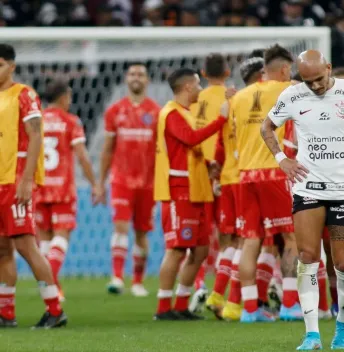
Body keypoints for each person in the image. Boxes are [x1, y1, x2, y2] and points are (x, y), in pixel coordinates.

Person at [262, 49, 344, 350]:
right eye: (308, 82)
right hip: (308, 187)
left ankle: (343, 324)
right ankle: (311, 334)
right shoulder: (292, 95)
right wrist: (282, 159)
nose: (315, 86)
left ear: (328, 67)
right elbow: (266, 127)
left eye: (320, 79)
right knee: (307, 257)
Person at [0, 43, 67, 328]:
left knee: (27, 247)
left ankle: (54, 310)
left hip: (15, 182)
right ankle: (6, 313)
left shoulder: (24, 95)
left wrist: (27, 179)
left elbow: (36, 135)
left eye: (0, 64)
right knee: (2, 250)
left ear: (12, 67)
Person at [154, 68, 228, 320]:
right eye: (197, 84)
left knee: (200, 250)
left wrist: (208, 165)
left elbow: (186, 150)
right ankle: (163, 307)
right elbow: (190, 139)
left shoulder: (185, 113)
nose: (200, 89)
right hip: (178, 190)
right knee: (177, 249)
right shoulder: (171, 113)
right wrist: (221, 120)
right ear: (187, 87)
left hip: (197, 189)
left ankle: (182, 304)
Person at [231, 44, 297, 323]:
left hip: (245, 175)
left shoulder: (239, 97)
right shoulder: (288, 90)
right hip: (273, 172)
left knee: (250, 242)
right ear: (283, 69)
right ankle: (290, 305)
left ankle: (248, 310)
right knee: (291, 237)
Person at [205, 55, 263, 321]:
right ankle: (233, 302)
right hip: (247, 178)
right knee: (250, 240)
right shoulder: (255, 104)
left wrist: (216, 171)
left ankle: (218, 293)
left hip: (228, 177)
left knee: (234, 240)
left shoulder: (232, 102)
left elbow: (219, 144)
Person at [96, 62, 161, 297]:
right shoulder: (115, 111)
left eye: (141, 74)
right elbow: (108, 149)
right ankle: (116, 277)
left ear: (147, 81)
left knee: (142, 233)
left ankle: (137, 282)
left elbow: (160, 151)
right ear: (126, 79)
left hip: (149, 183)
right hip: (121, 180)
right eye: (132, 74)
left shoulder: (156, 112)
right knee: (120, 227)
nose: (136, 77)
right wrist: (99, 182)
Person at [36, 79, 97, 302]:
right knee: (61, 238)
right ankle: (49, 279)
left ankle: (52, 289)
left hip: (39, 188)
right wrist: (95, 184)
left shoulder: (36, 120)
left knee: (44, 241)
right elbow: (81, 156)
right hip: (62, 189)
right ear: (63, 97)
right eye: (69, 97)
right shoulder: (70, 121)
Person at [190, 53, 231, 313]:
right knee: (228, 237)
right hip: (225, 173)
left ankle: (198, 287)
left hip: (199, 172)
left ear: (203, 75)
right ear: (227, 73)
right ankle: (221, 293)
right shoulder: (233, 97)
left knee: (200, 235)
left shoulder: (193, 99)